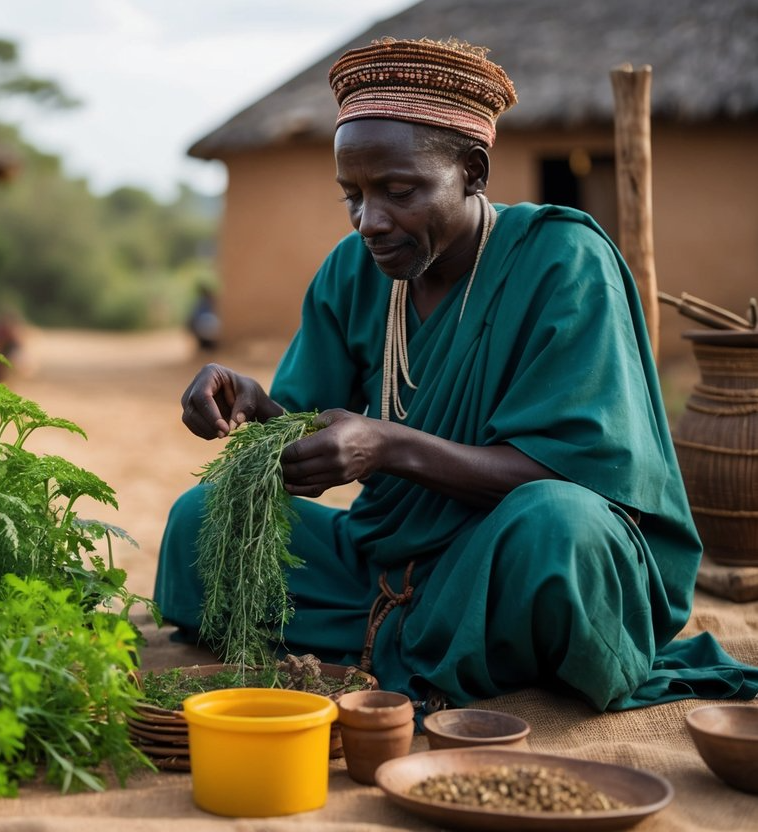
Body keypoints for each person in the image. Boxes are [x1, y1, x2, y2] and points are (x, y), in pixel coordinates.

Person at [154, 37, 758, 712]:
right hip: (384, 562)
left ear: (472, 171)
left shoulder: (562, 261)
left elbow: (575, 478)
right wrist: (253, 406)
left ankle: (416, 641)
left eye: (397, 190)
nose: (369, 221)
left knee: (556, 528)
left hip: (511, 556)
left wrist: (387, 445)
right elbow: (309, 438)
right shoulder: (353, 272)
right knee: (199, 520)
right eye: (349, 195)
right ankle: (437, 643)